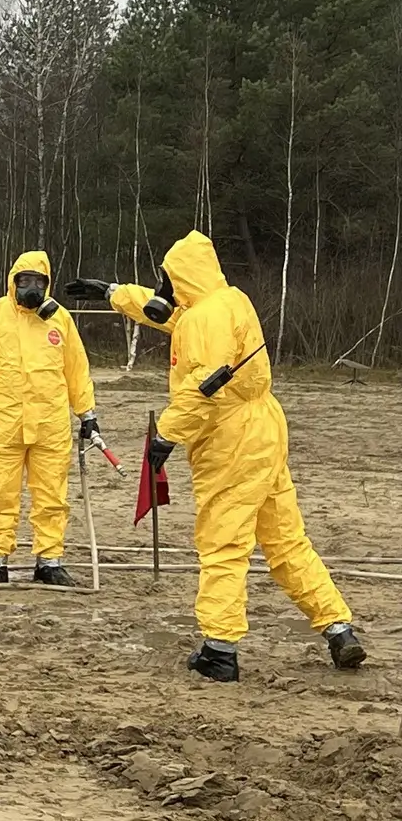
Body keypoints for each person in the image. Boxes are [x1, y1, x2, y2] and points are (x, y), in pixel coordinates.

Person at [71, 233, 367, 681]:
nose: (165, 289)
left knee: (223, 543)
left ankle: (219, 648)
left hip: (230, 439)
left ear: (182, 276)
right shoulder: (225, 301)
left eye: (167, 279)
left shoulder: (206, 319)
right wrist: (115, 294)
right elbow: (173, 316)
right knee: (286, 540)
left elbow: (204, 386)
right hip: (263, 431)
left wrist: (166, 436)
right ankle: (338, 628)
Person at [0, 250, 98, 585]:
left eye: (38, 281)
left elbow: (76, 369)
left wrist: (87, 414)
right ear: (13, 282)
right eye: (25, 281)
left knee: (52, 496)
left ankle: (49, 561)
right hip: (3, 426)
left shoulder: (60, 320)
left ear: (47, 284)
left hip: (50, 426)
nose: (31, 287)